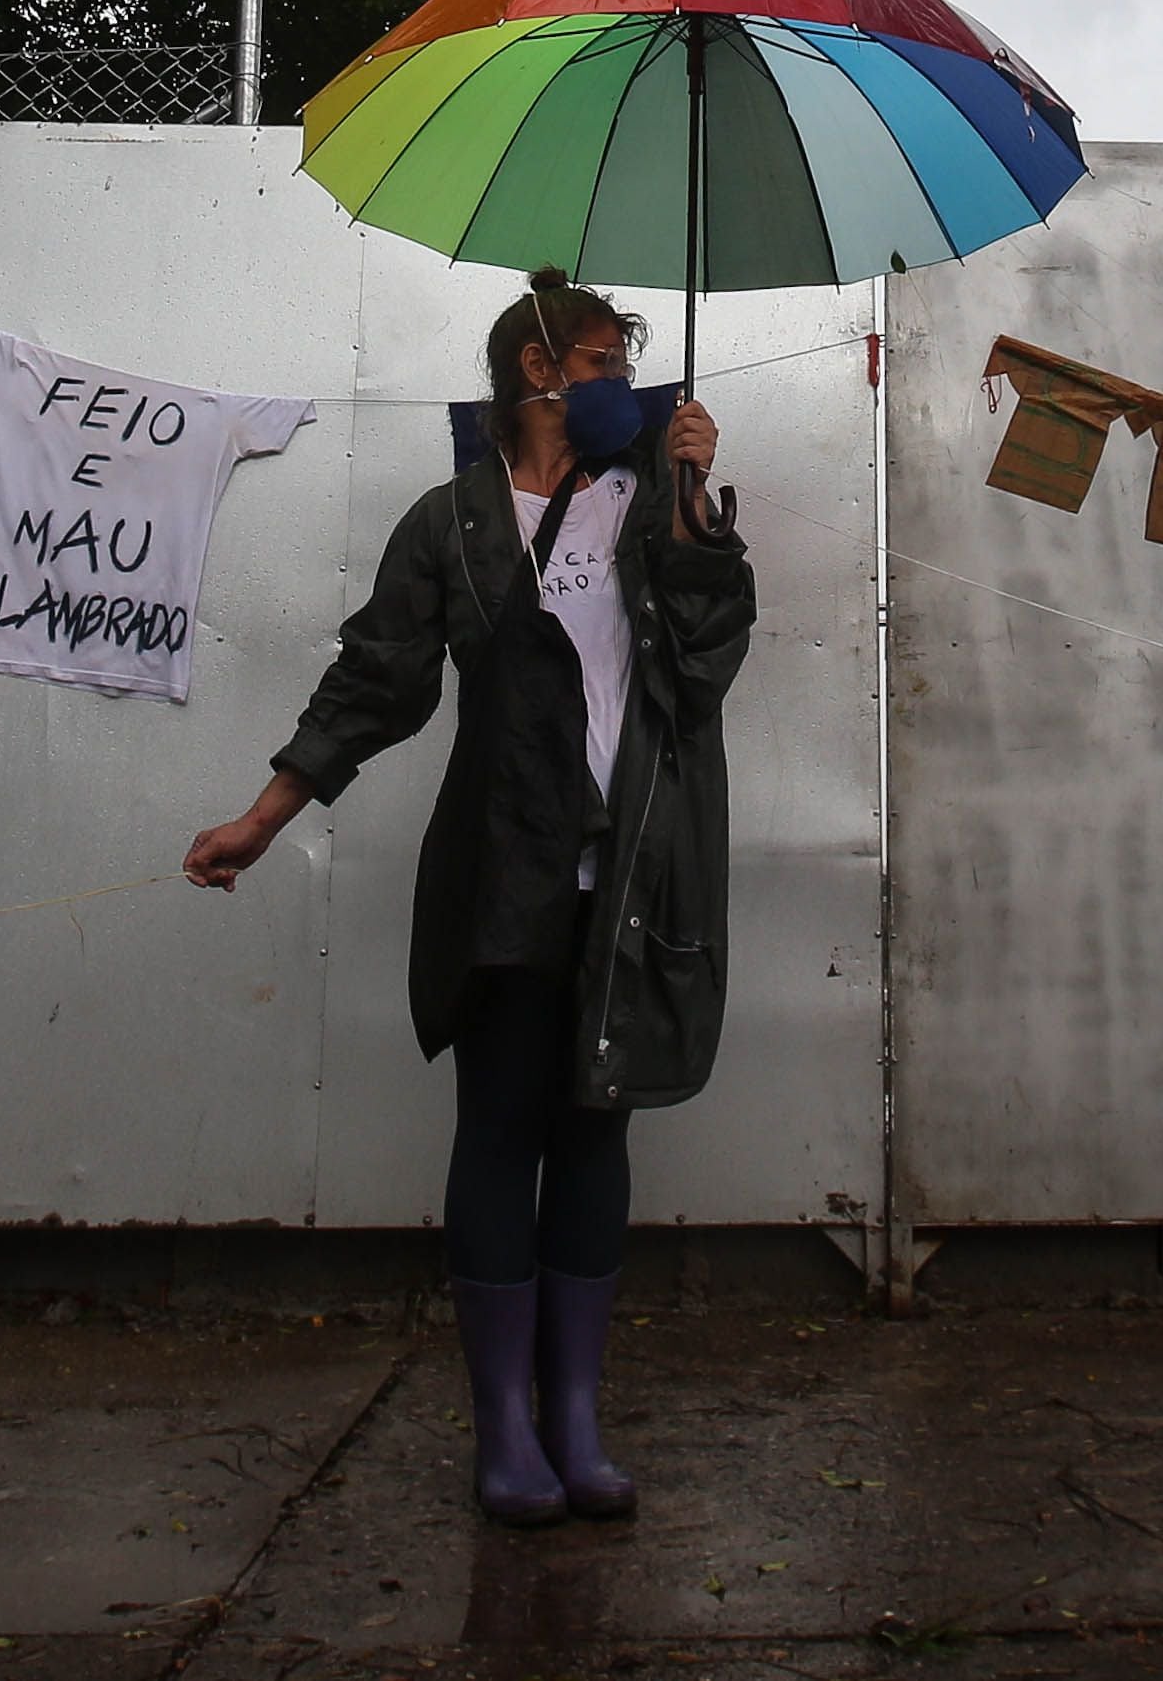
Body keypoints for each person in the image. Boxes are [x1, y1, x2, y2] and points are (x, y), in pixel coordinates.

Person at [181, 269, 755, 1526]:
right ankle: (503, 1426)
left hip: (635, 863)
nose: (622, 385)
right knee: (502, 1126)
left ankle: (577, 1418)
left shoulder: (651, 502)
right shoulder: (450, 519)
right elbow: (373, 682)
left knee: (597, 1128)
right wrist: (261, 821)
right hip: (505, 865)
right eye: (602, 363)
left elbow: (707, 659)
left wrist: (694, 502)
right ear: (537, 374)